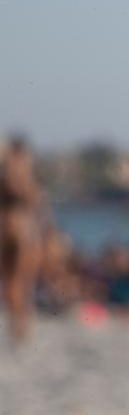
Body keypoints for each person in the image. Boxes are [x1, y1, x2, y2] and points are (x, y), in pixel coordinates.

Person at [1, 135, 43, 345]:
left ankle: (16, 324)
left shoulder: (7, 166)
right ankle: (20, 325)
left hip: (7, 225)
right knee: (22, 280)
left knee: (11, 281)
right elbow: (34, 200)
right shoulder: (23, 168)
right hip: (23, 228)